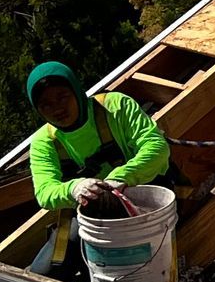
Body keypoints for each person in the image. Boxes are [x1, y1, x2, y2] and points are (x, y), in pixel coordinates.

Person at [25, 61, 170, 217]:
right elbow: (45, 192)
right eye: (46, 105)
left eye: (63, 97)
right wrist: (74, 188)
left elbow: (157, 147)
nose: (57, 108)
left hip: (147, 189)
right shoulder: (44, 142)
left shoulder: (116, 106)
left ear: (76, 92)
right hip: (94, 209)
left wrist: (120, 178)